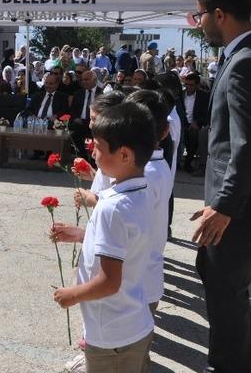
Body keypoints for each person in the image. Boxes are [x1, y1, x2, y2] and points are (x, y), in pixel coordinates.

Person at [52, 102, 157, 372]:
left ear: (124, 155)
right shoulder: (140, 191)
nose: (93, 152)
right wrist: (82, 235)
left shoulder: (112, 207)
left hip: (112, 336)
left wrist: (72, 295)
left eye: (98, 147)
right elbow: (127, 243)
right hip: (133, 322)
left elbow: (109, 282)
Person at [191, 0, 251, 373]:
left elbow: (246, 144)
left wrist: (225, 206)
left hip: (238, 212)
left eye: (200, 17)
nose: (199, 25)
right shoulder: (239, 57)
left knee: (226, 299)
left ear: (219, 13)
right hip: (232, 204)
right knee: (219, 284)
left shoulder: (244, 63)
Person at [179, 73, 210, 173]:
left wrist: (197, 122)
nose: (188, 87)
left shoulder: (203, 97)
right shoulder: (180, 95)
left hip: (195, 125)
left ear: (197, 85)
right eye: (186, 84)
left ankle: (188, 162)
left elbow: (206, 114)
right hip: (182, 123)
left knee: (193, 134)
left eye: (191, 85)